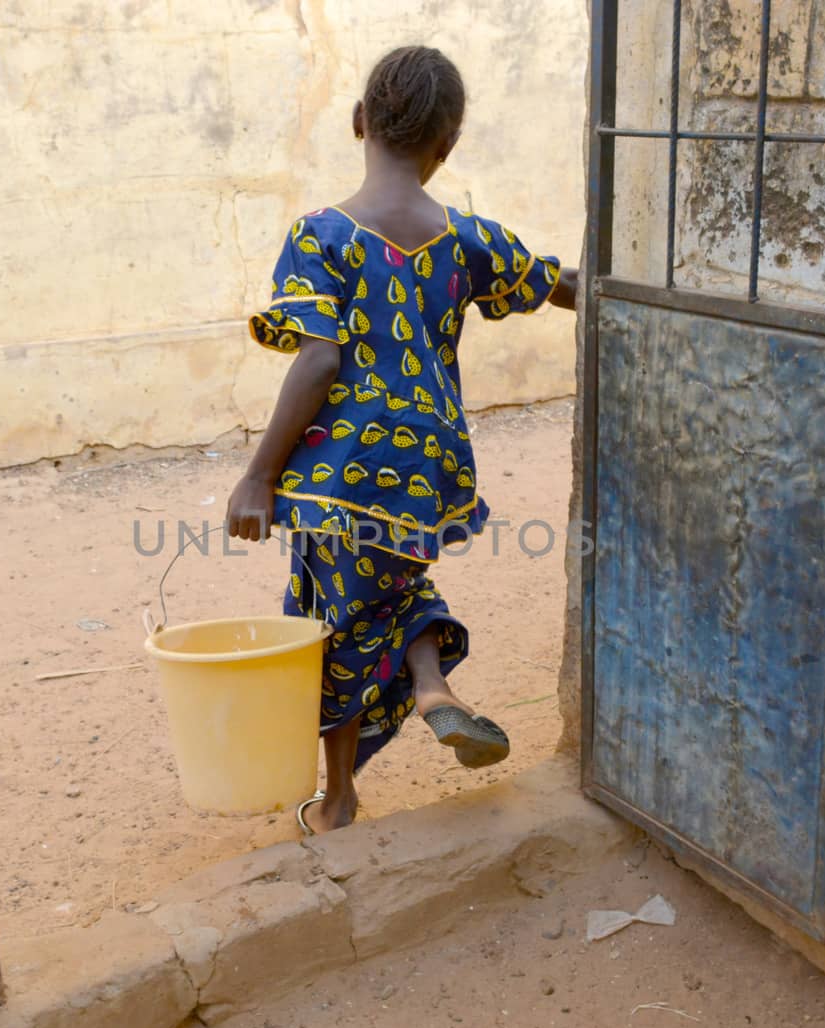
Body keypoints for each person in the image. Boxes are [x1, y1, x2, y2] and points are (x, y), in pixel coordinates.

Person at [225, 44, 579, 834]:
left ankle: (341, 798)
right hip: (428, 468)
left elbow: (318, 356)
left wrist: (257, 476)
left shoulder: (320, 235)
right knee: (388, 589)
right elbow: (557, 281)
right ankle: (432, 687)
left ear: (359, 122)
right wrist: (638, 288)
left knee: (329, 617)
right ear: (445, 148)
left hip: (339, 472)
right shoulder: (466, 238)